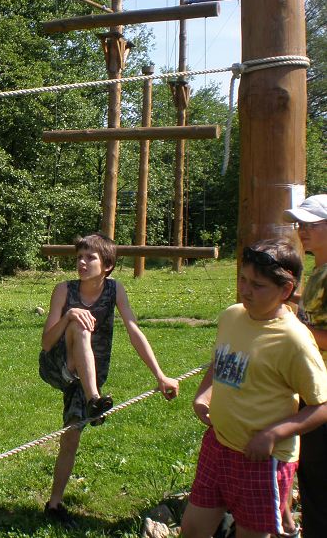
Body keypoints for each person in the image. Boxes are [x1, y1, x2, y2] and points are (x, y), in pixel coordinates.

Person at [181, 239, 327, 538]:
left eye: (258, 285)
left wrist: (272, 435)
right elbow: (221, 360)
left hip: (262, 461)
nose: (245, 290)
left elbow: (321, 406)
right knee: (193, 530)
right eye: (242, 279)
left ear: (285, 290)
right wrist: (203, 395)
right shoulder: (232, 315)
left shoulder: (295, 340)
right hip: (217, 445)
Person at [38, 233, 180, 527]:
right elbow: (47, 343)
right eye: (79, 257)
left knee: (71, 435)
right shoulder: (64, 290)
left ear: (107, 265)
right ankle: (94, 400)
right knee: (79, 324)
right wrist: (69, 315)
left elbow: (133, 330)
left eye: (90, 258)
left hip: (90, 374)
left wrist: (160, 375)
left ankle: (54, 504)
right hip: (58, 366)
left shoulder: (115, 289)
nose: (81, 262)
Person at [284, 194, 327, 538]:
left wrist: (291, 329)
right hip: (312, 386)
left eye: (311, 224)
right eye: (300, 223)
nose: (302, 230)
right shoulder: (319, 271)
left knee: (318, 477)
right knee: (311, 476)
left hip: (323, 396)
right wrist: (288, 296)